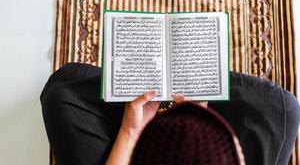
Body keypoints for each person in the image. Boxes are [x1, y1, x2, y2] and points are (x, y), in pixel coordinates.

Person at [41, 63, 300, 165]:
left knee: (61, 94)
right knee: (281, 109)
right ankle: (194, 83)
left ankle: (170, 83)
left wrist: (131, 132)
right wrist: (200, 119)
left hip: (146, 150)